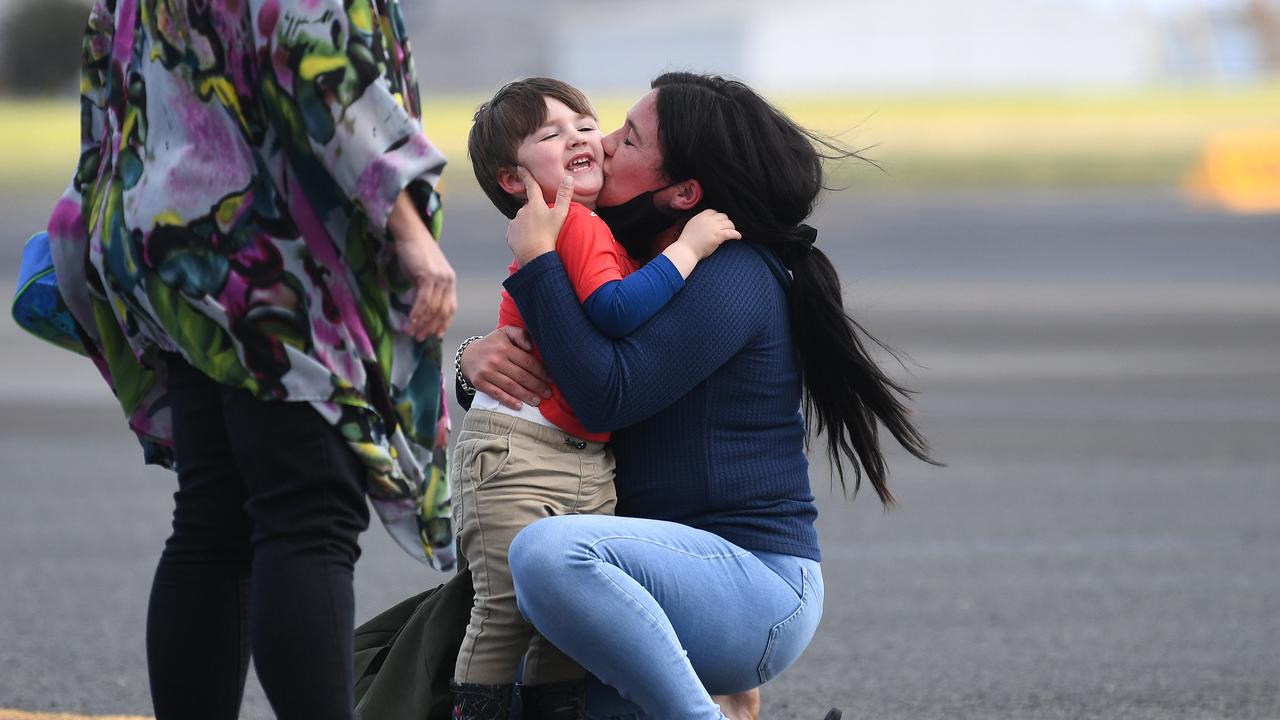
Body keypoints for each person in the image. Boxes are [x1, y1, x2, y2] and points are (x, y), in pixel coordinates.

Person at [460, 71, 938, 720]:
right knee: (509, 697)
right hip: (636, 576)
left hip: (753, 586)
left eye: (627, 140)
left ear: (682, 191)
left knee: (546, 554)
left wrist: (541, 263)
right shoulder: (631, 253)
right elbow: (557, 367)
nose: (600, 145)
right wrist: (473, 361)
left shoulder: (733, 274)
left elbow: (605, 393)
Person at [44, 1, 455, 717]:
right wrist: (407, 225)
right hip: (268, 249)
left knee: (216, 519)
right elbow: (311, 58)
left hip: (169, 229)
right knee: (306, 514)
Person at [451, 77, 738, 718]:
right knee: (505, 614)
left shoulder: (590, 226)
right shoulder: (574, 226)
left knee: (564, 626)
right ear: (510, 179)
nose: (583, 137)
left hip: (576, 455)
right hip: (523, 451)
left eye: (586, 123)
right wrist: (690, 248)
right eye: (550, 134)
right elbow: (612, 310)